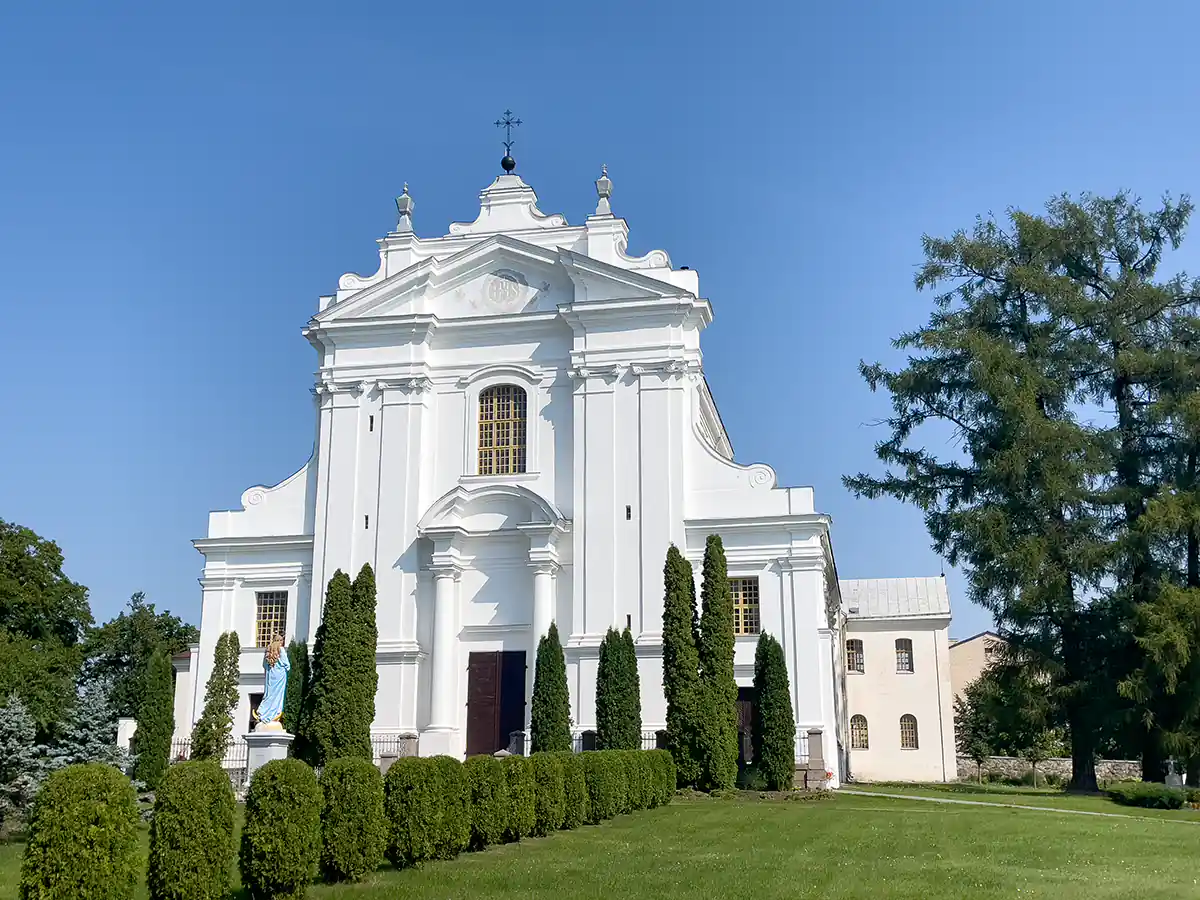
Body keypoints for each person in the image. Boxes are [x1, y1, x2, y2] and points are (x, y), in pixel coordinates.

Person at [254, 633, 290, 730]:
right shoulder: (281, 650)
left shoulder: (268, 650)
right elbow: (287, 665)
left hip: (270, 676)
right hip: (280, 676)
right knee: (277, 695)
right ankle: (273, 714)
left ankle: (263, 711)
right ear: (280, 641)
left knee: (269, 694)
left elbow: (264, 665)